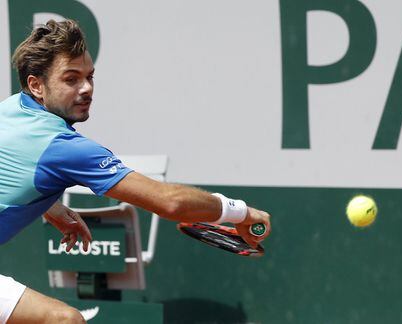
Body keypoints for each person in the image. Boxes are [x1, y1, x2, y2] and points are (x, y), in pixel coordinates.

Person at [0, 19, 271, 323]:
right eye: (71, 79)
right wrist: (240, 212)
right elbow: (171, 202)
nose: (87, 88)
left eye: (90, 76)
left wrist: (49, 206)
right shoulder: (64, 147)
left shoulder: (11, 111)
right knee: (63, 320)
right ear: (37, 85)